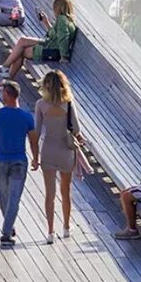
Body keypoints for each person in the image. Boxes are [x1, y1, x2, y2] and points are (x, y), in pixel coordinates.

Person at [0, 80, 39, 248]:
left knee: (5, 197)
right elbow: (34, 141)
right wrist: (36, 158)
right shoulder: (27, 117)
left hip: (1, 160)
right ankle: (8, 228)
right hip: (19, 161)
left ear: (7, 94)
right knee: (14, 198)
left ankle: (7, 231)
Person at [35, 69, 85, 243]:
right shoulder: (69, 103)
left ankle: (50, 231)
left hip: (48, 148)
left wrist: (35, 156)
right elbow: (76, 129)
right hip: (66, 150)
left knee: (50, 193)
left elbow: (37, 130)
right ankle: (66, 226)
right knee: (66, 190)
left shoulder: (41, 105)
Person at [0, 0, 74, 81]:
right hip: (49, 44)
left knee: (21, 51)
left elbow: (63, 38)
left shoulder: (62, 20)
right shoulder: (67, 21)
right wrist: (46, 22)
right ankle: (5, 70)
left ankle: (6, 75)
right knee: (22, 40)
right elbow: (55, 35)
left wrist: (64, 57)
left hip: (52, 50)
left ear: (58, 8)